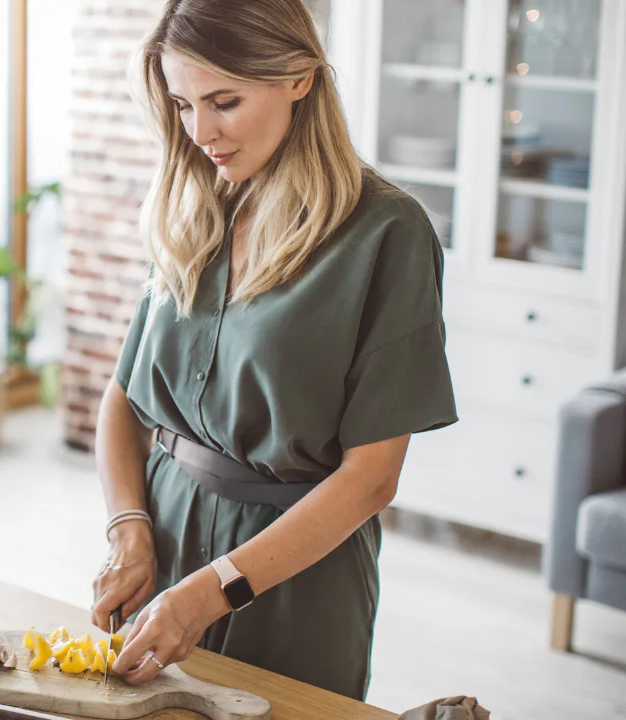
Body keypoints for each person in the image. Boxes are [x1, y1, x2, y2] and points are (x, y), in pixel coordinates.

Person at [92, 0, 457, 701]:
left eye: (224, 101)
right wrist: (128, 529)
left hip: (297, 576)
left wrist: (213, 590)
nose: (200, 132)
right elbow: (125, 401)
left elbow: (372, 478)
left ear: (299, 77)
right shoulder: (192, 203)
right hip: (165, 545)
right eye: (183, 105)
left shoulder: (388, 232)